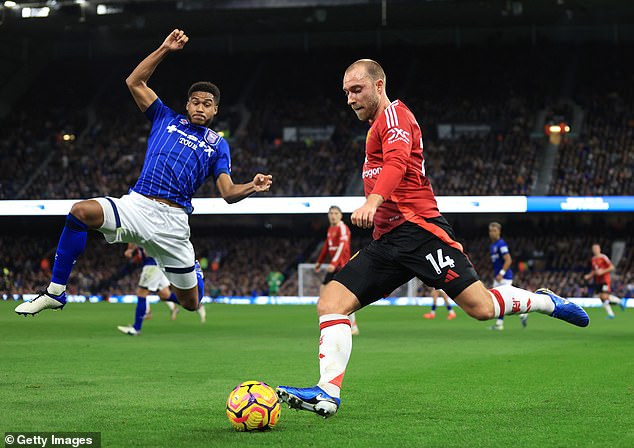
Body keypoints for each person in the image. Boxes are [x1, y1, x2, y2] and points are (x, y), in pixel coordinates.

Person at [276, 59, 589, 419]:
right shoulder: (374, 127)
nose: (349, 98)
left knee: (482, 308)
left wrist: (373, 200)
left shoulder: (395, 117)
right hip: (387, 241)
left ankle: (545, 302)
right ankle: (326, 393)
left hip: (421, 233)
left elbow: (396, 163)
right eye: (346, 92)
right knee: (331, 302)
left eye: (356, 89)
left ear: (379, 86)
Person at [15, 29, 272, 316]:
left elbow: (227, 193)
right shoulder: (165, 117)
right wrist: (164, 49)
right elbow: (134, 81)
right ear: (187, 104)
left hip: (173, 223)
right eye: (196, 102)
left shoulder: (217, 145)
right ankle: (56, 292)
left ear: (215, 111)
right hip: (137, 205)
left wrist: (252, 185)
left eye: (207, 104)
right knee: (79, 212)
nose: (201, 107)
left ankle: (193, 269)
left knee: (190, 303)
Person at [117, 244, 206, 336]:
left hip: (152, 265)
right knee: (165, 295)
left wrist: (130, 249)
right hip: (160, 266)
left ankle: (136, 328)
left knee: (141, 293)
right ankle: (197, 305)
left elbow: (134, 235)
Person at [315, 206, 359, 335]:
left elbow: (342, 247)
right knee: (325, 293)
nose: (333, 215)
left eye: (335, 213)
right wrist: (320, 261)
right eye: (331, 213)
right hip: (335, 267)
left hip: (342, 266)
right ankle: (337, 323)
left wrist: (334, 263)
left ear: (340, 215)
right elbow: (326, 247)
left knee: (340, 297)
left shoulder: (343, 228)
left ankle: (351, 325)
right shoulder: (331, 229)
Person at [487, 222, 527, 330]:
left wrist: (501, 273)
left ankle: (499, 324)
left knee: (502, 300)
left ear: (499, 232)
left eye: (494, 230)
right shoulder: (492, 246)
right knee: (500, 300)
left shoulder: (501, 244)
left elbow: (508, 260)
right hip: (498, 277)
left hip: (505, 277)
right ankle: (522, 314)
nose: (492, 233)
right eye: (490, 231)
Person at [583, 243, 617, 319]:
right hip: (598, 281)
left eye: (596, 248)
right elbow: (594, 271)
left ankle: (620, 302)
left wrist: (603, 271)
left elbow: (612, 267)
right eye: (593, 249)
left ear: (599, 249)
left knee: (604, 296)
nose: (595, 250)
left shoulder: (603, 257)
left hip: (605, 279)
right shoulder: (593, 259)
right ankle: (611, 314)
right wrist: (589, 276)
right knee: (601, 298)